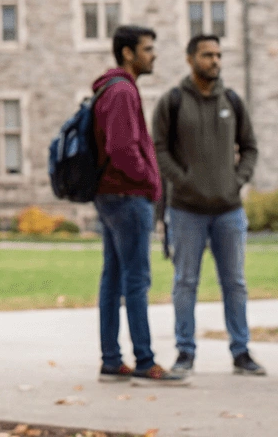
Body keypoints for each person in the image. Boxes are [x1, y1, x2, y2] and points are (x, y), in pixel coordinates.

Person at [151, 34, 262, 377]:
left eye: (218, 55)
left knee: (236, 283)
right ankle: (185, 352)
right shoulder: (172, 102)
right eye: (207, 55)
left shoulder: (232, 100)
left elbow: (250, 147)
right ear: (190, 59)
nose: (215, 61)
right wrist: (183, 180)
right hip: (186, 210)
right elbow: (158, 150)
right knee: (185, 282)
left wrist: (236, 180)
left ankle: (241, 351)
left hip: (229, 210)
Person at [90, 26, 188, 387]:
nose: (154, 55)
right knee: (135, 280)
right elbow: (122, 148)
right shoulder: (120, 91)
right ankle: (144, 359)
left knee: (114, 277)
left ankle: (112, 360)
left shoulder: (112, 88)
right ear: (128, 53)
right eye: (148, 49)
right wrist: (149, 181)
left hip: (114, 195)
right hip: (127, 196)